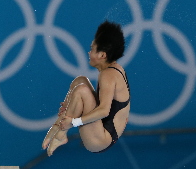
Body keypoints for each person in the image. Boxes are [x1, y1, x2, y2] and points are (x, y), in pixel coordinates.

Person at [42, 20, 130, 156]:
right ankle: (59, 124)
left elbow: (104, 111)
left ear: (102, 55)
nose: (88, 52)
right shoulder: (113, 69)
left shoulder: (108, 75)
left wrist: (74, 122)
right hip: (103, 128)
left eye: (92, 49)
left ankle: (61, 133)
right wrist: (69, 104)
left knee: (82, 89)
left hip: (101, 140)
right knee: (80, 80)